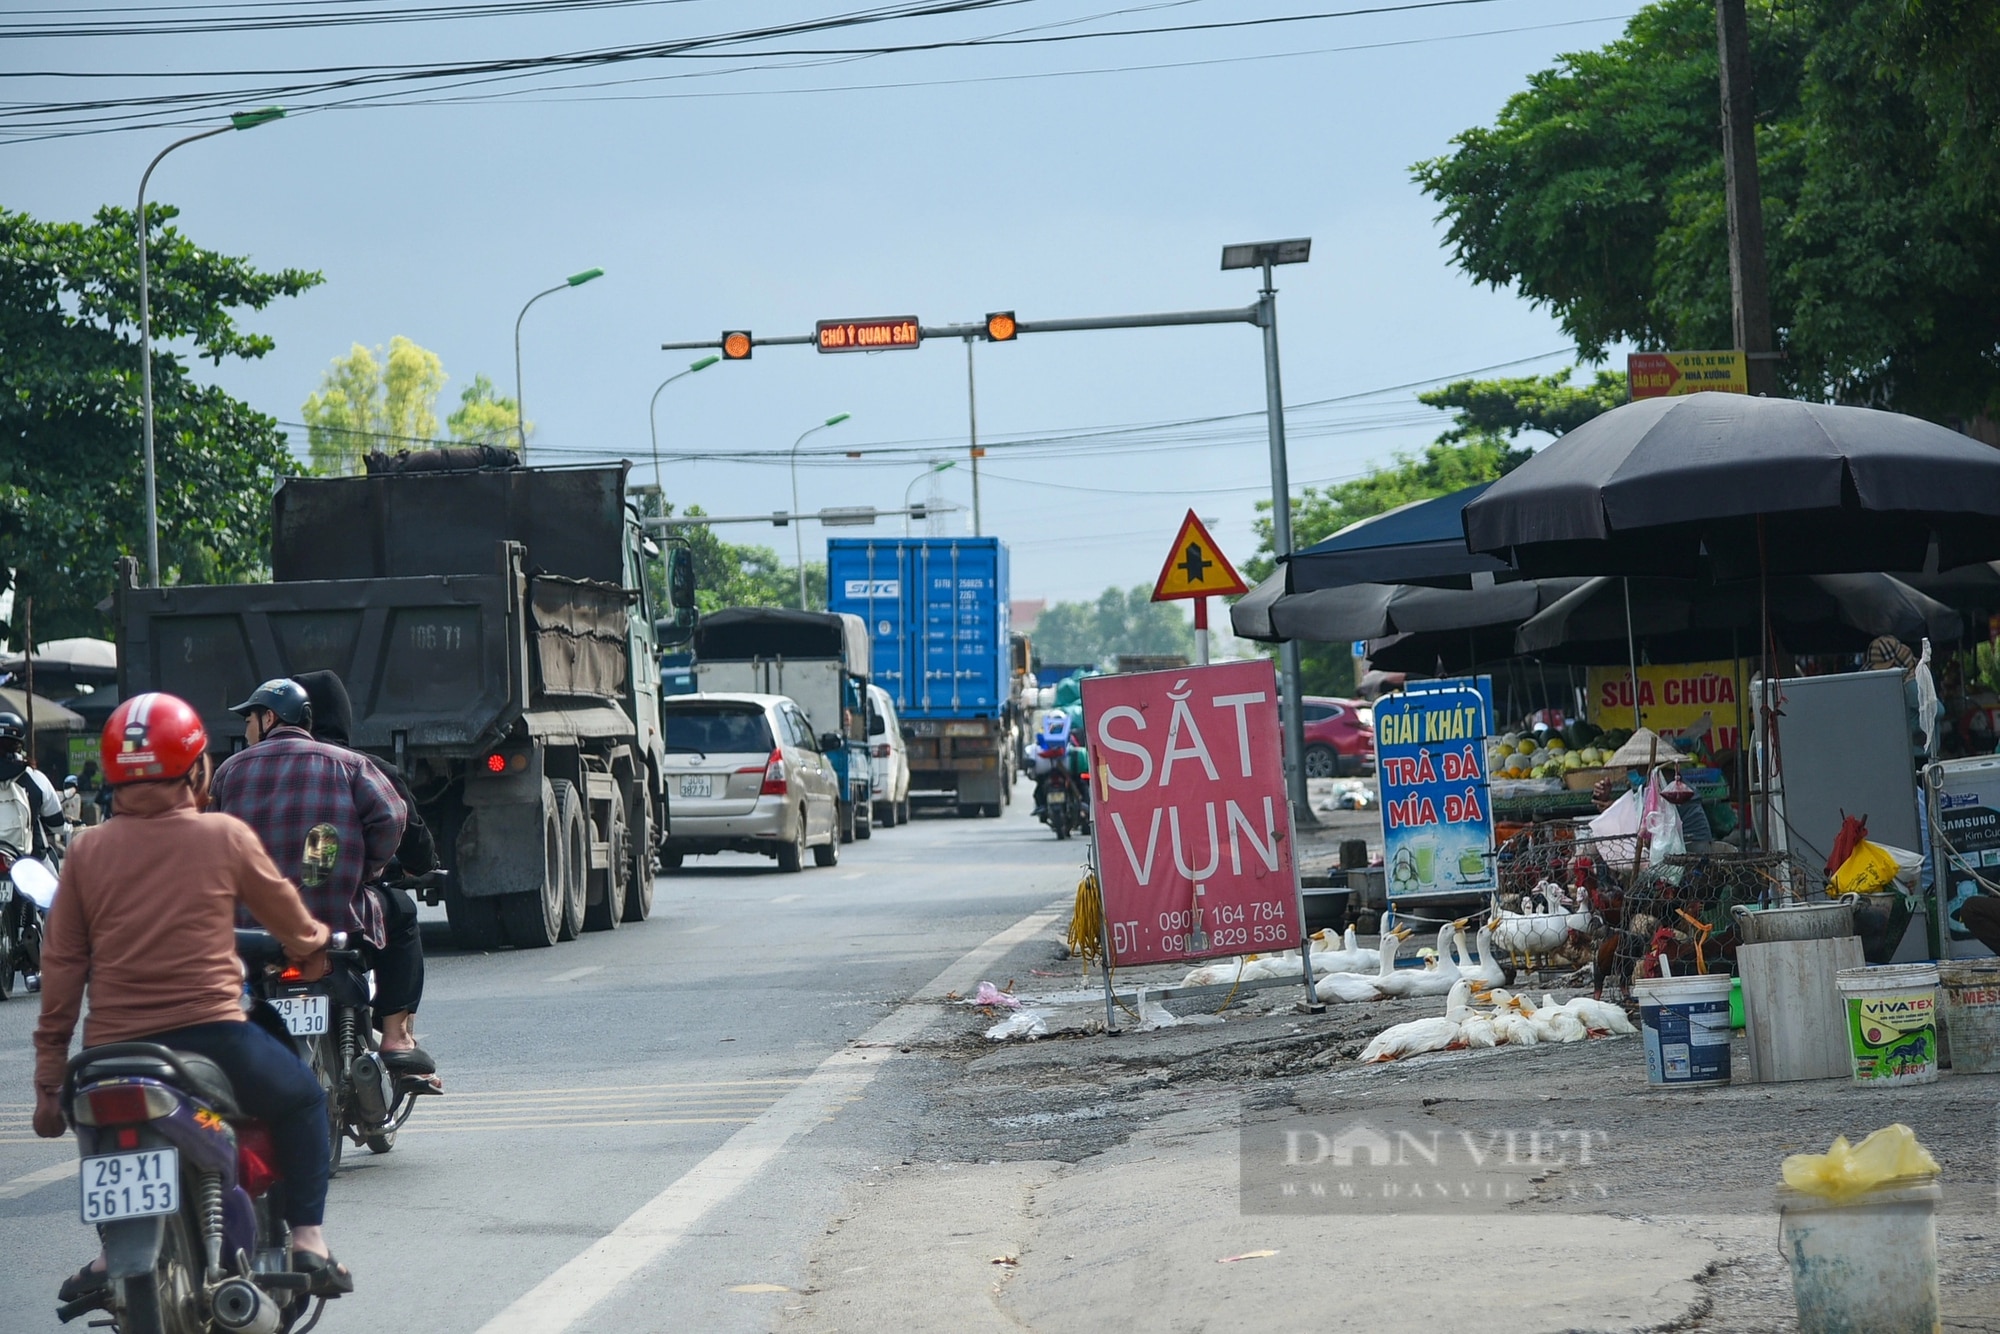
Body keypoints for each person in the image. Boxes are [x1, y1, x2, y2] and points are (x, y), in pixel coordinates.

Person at [32, 692, 353, 1300]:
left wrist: (50, 1083)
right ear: (198, 768)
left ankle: (109, 1253)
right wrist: (312, 945)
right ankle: (310, 1240)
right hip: (214, 1036)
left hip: (110, 1053)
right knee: (307, 1099)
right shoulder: (223, 836)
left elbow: (63, 970)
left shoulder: (85, 851)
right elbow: (289, 918)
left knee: (98, 1127)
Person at [208, 680, 417, 1068]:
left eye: (249, 720)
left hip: (251, 931)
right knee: (402, 913)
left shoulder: (228, 772)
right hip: (334, 919)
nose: (247, 730)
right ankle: (395, 1036)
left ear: (269, 718)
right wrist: (366, 869)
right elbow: (391, 816)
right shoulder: (349, 763)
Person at [292, 669, 440, 1074]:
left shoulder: (244, 768)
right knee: (404, 915)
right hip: (341, 911)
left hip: (261, 921)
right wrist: (381, 867)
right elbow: (404, 828)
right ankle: (395, 1036)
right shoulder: (364, 768)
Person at [0, 710, 65, 859]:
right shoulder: (35, 778)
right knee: (52, 878)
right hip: (28, 863)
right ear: (19, 746)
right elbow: (57, 825)